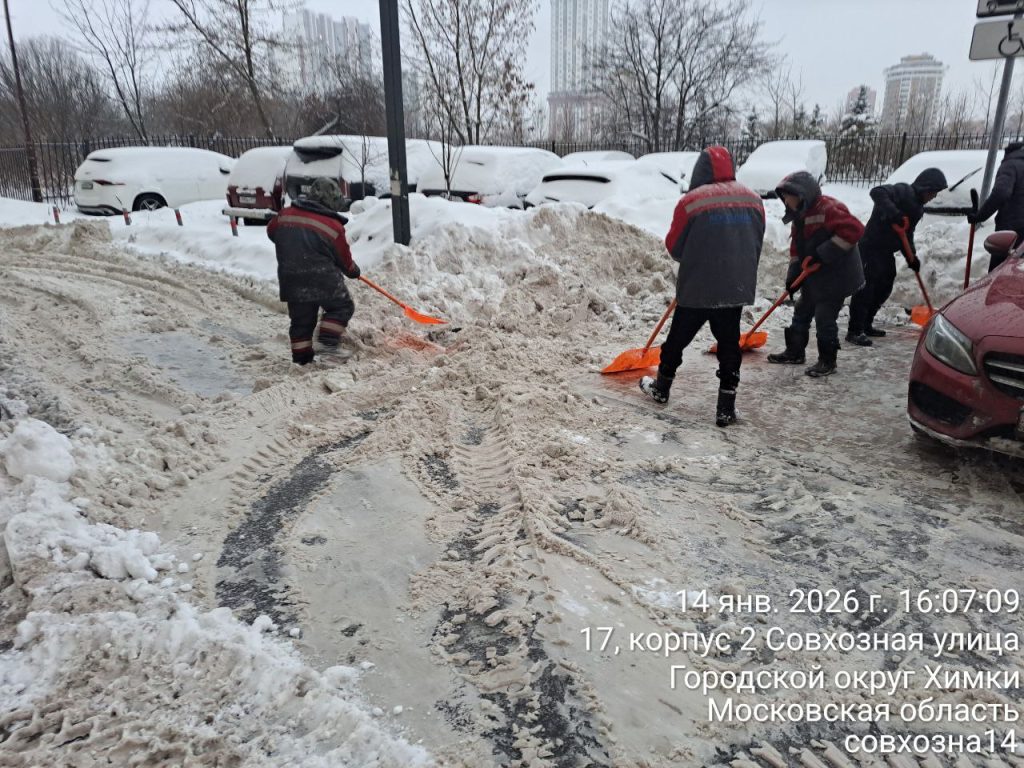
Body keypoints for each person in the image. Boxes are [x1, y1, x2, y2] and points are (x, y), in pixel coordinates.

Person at [638, 146, 765, 427]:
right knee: (729, 346)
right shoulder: (754, 199)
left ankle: (662, 387)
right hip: (734, 287)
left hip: (698, 287)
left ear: (700, 170)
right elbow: (756, 241)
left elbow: (675, 247)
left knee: (677, 340)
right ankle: (726, 408)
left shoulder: (692, 202)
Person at [766, 172, 865, 378]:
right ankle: (795, 351)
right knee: (802, 309)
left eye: (789, 196)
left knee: (824, 316)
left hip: (838, 275)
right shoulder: (798, 215)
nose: (786, 201)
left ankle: (827, 360)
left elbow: (855, 230)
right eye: (784, 197)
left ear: (802, 194)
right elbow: (797, 249)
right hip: (816, 273)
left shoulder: (829, 208)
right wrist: (793, 275)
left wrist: (823, 253)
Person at [847, 168, 947, 345]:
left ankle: (867, 323)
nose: (934, 196)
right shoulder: (903, 191)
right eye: (933, 192)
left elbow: (907, 234)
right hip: (870, 246)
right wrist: (894, 213)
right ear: (925, 187)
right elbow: (877, 192)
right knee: (867, 288)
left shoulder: (918, 209)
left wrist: (911, 257)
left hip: (886, 251)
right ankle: (854, 330)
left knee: (885, 285)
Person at [267, 177, 361, 365]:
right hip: (322, 278)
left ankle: (301, 361)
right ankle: (327, 344)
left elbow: (272, 232)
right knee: (342, 307)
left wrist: (294, 247)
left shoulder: (284, 215)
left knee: (301, 321)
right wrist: (354, 271)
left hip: (291, 278)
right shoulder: (332, 226)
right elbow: (345, 261)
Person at [969, 141, 1024, 272]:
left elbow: (1001, 193)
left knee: (999, 273)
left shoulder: (1010, 165)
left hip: (1011, 230)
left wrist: (980, 216)